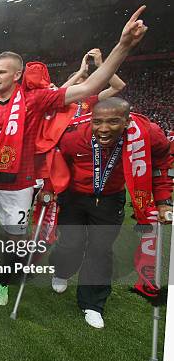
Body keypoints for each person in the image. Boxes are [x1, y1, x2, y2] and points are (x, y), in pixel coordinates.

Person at [0, 6, 148, 307]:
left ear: (17, 75)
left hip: (18, 186)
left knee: (14, 240)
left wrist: (123, 46)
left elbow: (91, 86)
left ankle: (3, 282)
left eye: (1, 72)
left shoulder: (35, 101)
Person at [43, 98, 172, 328]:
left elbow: (161, 162)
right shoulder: (74, 136)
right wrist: (50, 189)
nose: (103, 129)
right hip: (75, 197)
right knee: (71, 244)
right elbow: (56, 160)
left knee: (100, 251)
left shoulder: (147, 133)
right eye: (98, 122)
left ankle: (92, 304)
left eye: (113, 122)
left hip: (111, 199)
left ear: (127, 121)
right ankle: (61, 271)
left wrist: (163, 200)